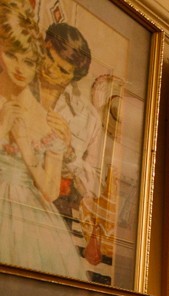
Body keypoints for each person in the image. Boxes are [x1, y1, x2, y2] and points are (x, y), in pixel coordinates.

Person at [0, 2, 86, 279]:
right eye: (11, 56)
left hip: (30, 215)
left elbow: (50, 191)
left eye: (28, 62)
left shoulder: (48, 120)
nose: (19, 69)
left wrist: (27, 150)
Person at [37, 23, 100, 228]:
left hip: (53, 213)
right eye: (49, 57)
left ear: (74, 77)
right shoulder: (15, 81)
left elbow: (92, 187)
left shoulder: (88, 118)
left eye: (62, 70)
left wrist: (70, 153)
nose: (49, 69)